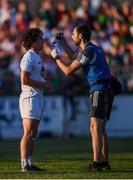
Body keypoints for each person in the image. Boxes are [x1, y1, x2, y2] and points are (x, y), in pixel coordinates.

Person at [51, 24, 114, 171]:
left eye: (73, 34)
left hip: (99, 89)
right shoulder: (93, 48)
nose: (72, 36)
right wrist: (64, 42)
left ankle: (97, 163)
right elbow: (73, 56)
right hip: (104, 88)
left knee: (95, 127)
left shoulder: (88, 51)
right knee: (100, 129)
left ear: (80, 36)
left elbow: (67, 70)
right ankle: (104, 162)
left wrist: (56, 57)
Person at [19, 28, 53, 172]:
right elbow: (24, 79)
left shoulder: (37, 57)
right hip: (30, 97)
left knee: (33, 134)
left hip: (37, 97)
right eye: (39, 39)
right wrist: (44, 84)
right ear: (32, 42)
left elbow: (34, 77)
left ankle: (30, 163)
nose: (42, 41)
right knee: (28, 132)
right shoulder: (29, 57)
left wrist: (45, 82)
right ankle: (24, 164)